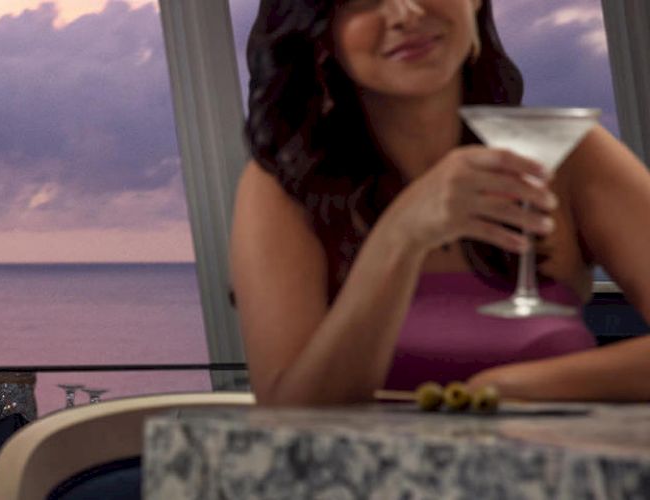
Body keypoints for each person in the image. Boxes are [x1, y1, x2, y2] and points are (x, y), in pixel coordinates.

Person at [231, 0, 650, 406]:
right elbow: (287, 410)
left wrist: (511, 386)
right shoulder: (284, 189)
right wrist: (402, 233)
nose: (405, 12)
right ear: (322, 36)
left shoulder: (569, 157)